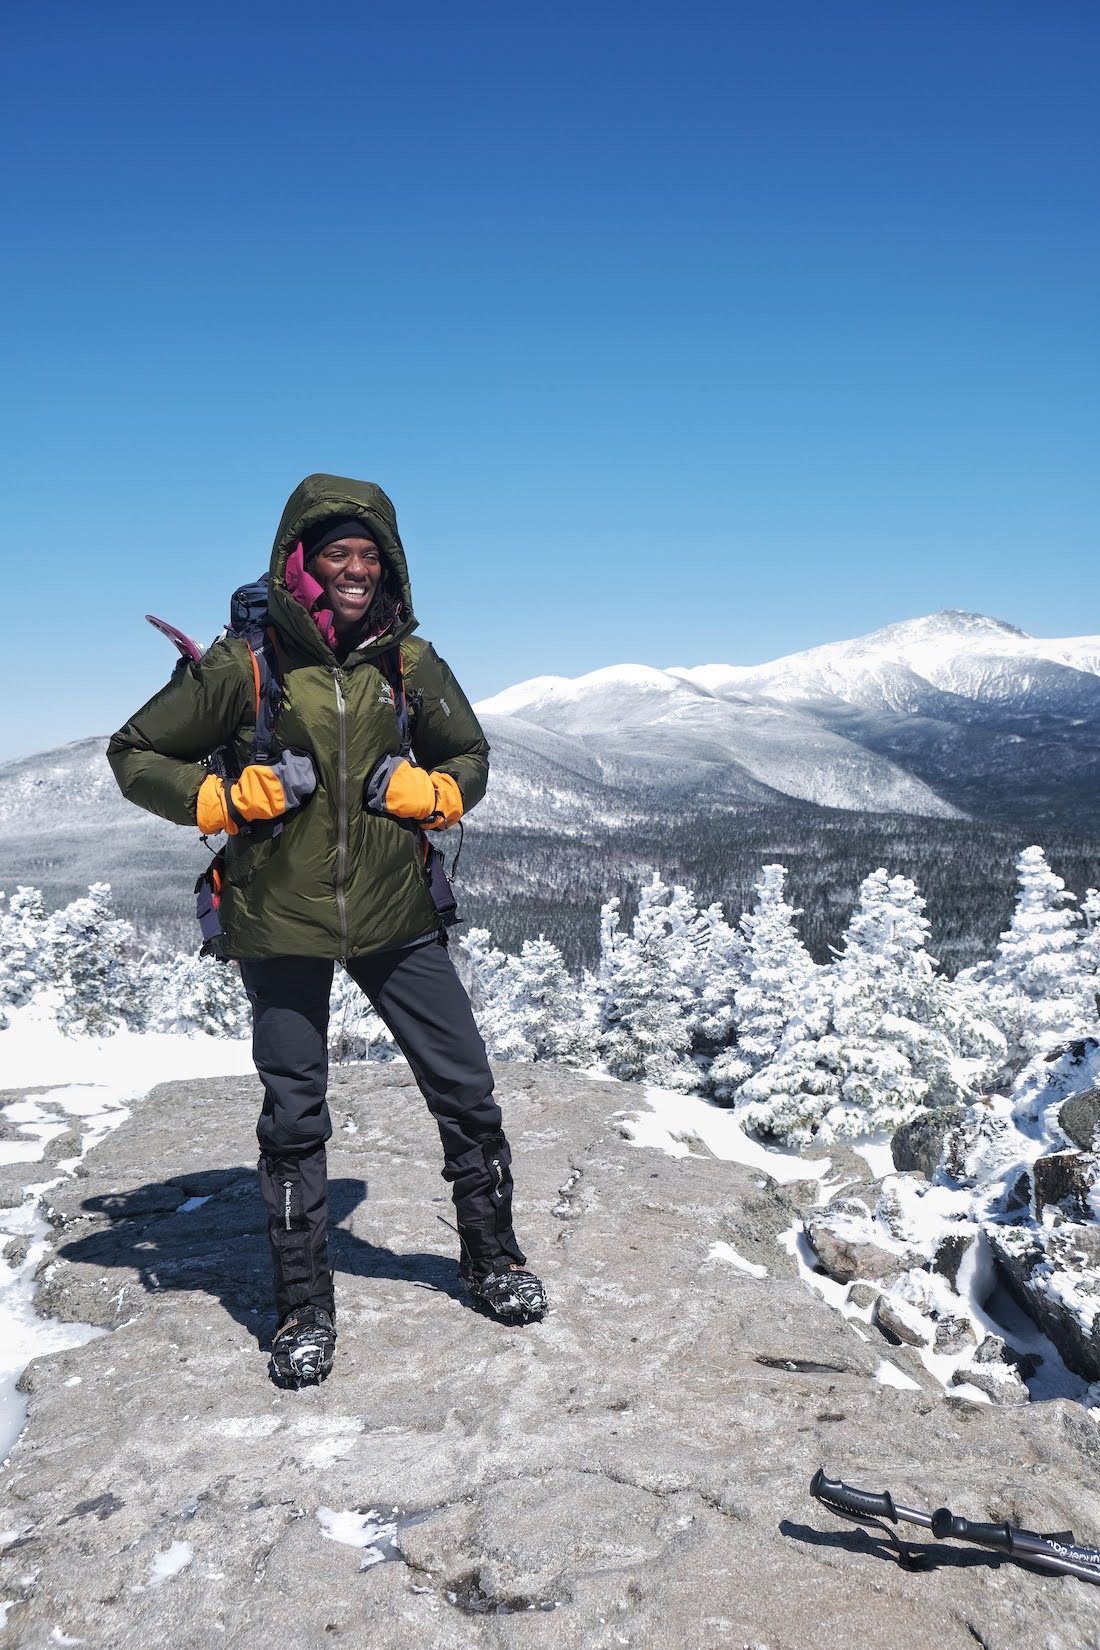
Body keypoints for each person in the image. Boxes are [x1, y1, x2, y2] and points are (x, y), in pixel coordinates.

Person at [108, 472, 546, 1386]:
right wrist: (218, 797)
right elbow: (134, 752)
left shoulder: (408, 663)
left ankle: (492, 1257)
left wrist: (439, 791)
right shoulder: (245, 664)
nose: (355, 568)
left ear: (389, 567)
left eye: (369, 554)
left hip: (397, 914)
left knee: (464, 1083)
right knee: (295, 1113)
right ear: (300, 562)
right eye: (336, 553)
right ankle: (304, 1306)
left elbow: (469, 753)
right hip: (280, 924)